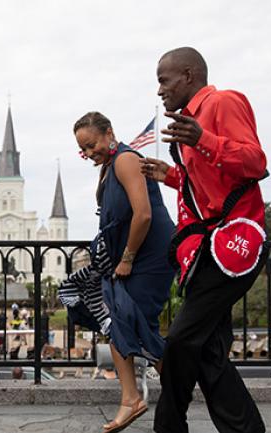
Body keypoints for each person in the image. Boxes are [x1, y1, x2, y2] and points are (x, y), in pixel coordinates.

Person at [142, 47, 268, 433]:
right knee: (210, 351)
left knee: (181, 338)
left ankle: (169, 423)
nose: (160, 90)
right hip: (208, 245)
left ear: (189, 75)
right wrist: (172, 176)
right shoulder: (188, 124)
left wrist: (204, 139)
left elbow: (256, 162)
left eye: (164, 80)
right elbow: (209, 186)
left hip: (235, 244)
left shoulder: (223, 102)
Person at [73, 112, 175, 433]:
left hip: (149, 255)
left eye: (91, 145)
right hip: (128, 258)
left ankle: (182, 383)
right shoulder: (108, 166)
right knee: (119, 321)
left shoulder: (126, 159)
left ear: (109, 133)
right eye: (83, 150)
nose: (89, 153)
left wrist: (128, 257)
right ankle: (133, 398)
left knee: (134, 322)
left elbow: (143, 215)